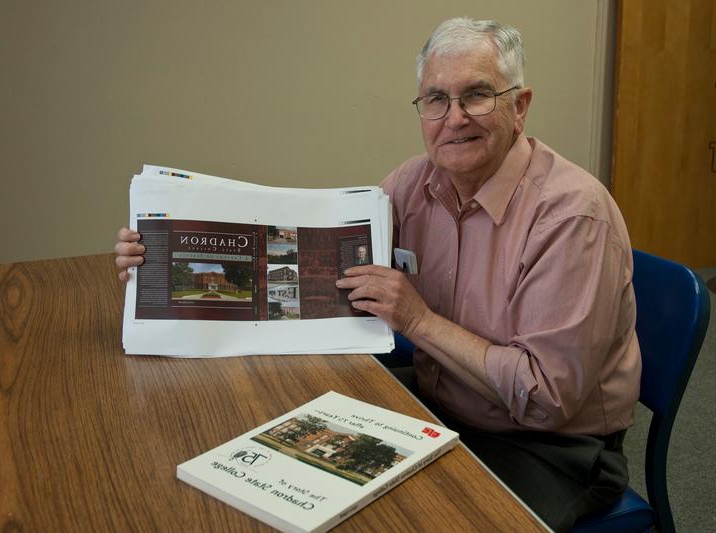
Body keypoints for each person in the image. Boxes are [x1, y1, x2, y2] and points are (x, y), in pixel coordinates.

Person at [115, 17, 640, 531]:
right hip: (439, 400)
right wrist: (160, 260)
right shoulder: (414, 183)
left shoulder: (571, 218)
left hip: (549, 445)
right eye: (436, 99)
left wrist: (417, 318)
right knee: (271, 463)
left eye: (477, 95)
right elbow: (314, 274)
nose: (453, 118)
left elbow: (545, 398)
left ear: (520, 108)